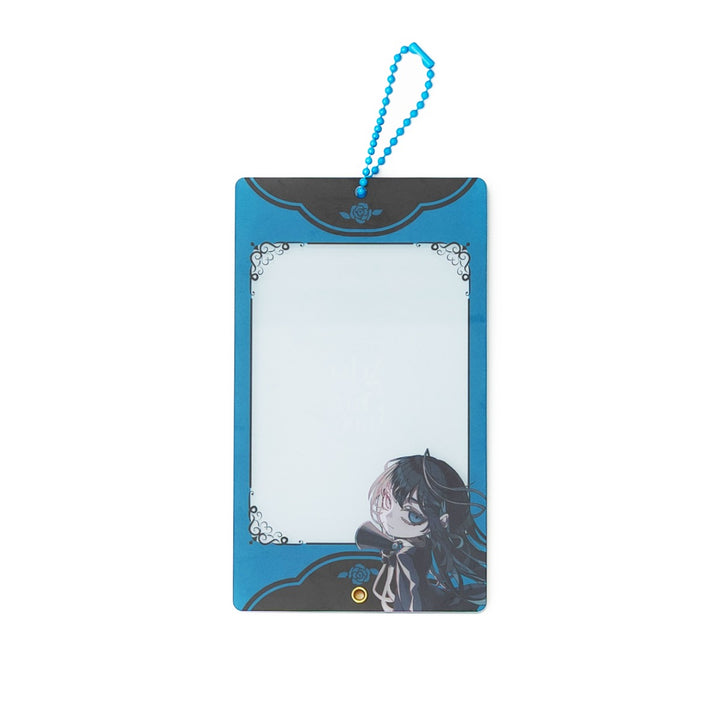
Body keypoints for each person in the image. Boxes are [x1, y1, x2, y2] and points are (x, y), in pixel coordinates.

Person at [355, 450, 487, 612]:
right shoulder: (409, 547)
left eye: (413, 515)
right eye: (386, 500)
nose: (389, 515)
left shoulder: (407, 554)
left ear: (442, 521)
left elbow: (411, 599)